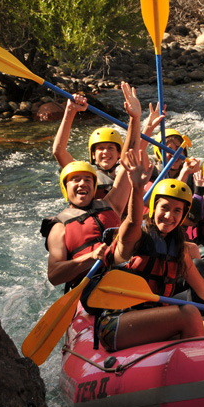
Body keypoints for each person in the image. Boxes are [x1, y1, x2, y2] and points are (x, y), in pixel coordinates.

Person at [94, 148, 204, 352]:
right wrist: (137, 187)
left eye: (177, 211)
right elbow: (133, 220)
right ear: (154, 207)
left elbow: (203, 289)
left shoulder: (178, 246)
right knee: (189, 313)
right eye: (164, 208)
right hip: (117, 324)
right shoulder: (134, 237)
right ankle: (188, 365)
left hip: (152, 321)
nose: (170, 216)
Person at [42, 82, 143, 292]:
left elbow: (129, 157)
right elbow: (54, 276)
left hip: (126, 283)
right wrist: (90, 257)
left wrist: (135, 118)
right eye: (76, 180)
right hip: (91, 291)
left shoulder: (111, 204)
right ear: (65, 187)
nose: (82, 183)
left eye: (88, 180)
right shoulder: (59, 227)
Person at [53, 94, 124, 199]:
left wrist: (143, 122)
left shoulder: (127, 173)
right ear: (93, 155)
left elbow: (138, 145)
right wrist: (70, 111)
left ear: (119, 153)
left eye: (110, 148)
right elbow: (59, 152)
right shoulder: (86, 178)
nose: (105, 152)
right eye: (100, 148)